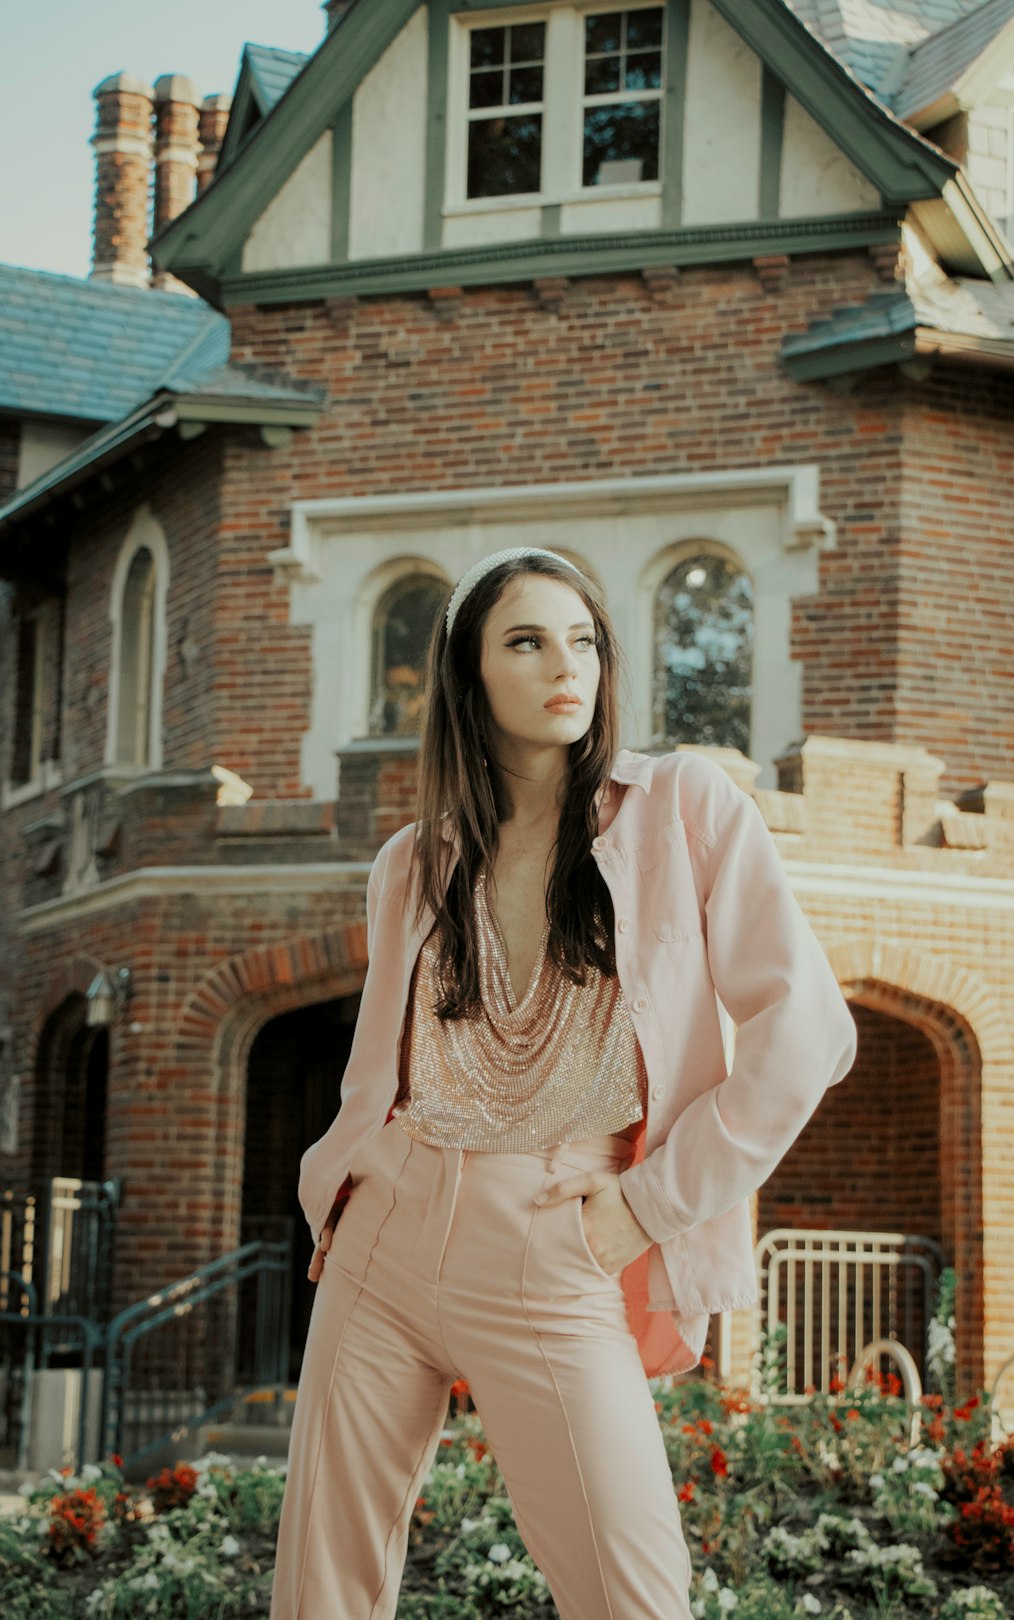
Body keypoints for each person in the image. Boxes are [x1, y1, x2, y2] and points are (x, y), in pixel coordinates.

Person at [269, 547, 858, 1620]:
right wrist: (345, 1193)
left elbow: (807, 1030)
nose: (566, 664)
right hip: (383, 1243)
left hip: (557, 1241)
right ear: (469, 675)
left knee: (634, 1597)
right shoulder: (411, 863)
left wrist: (648, 1205)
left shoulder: (682, 807)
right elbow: (382, 1067)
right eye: (527, 641)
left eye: (584, 639)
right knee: (324, 1596)